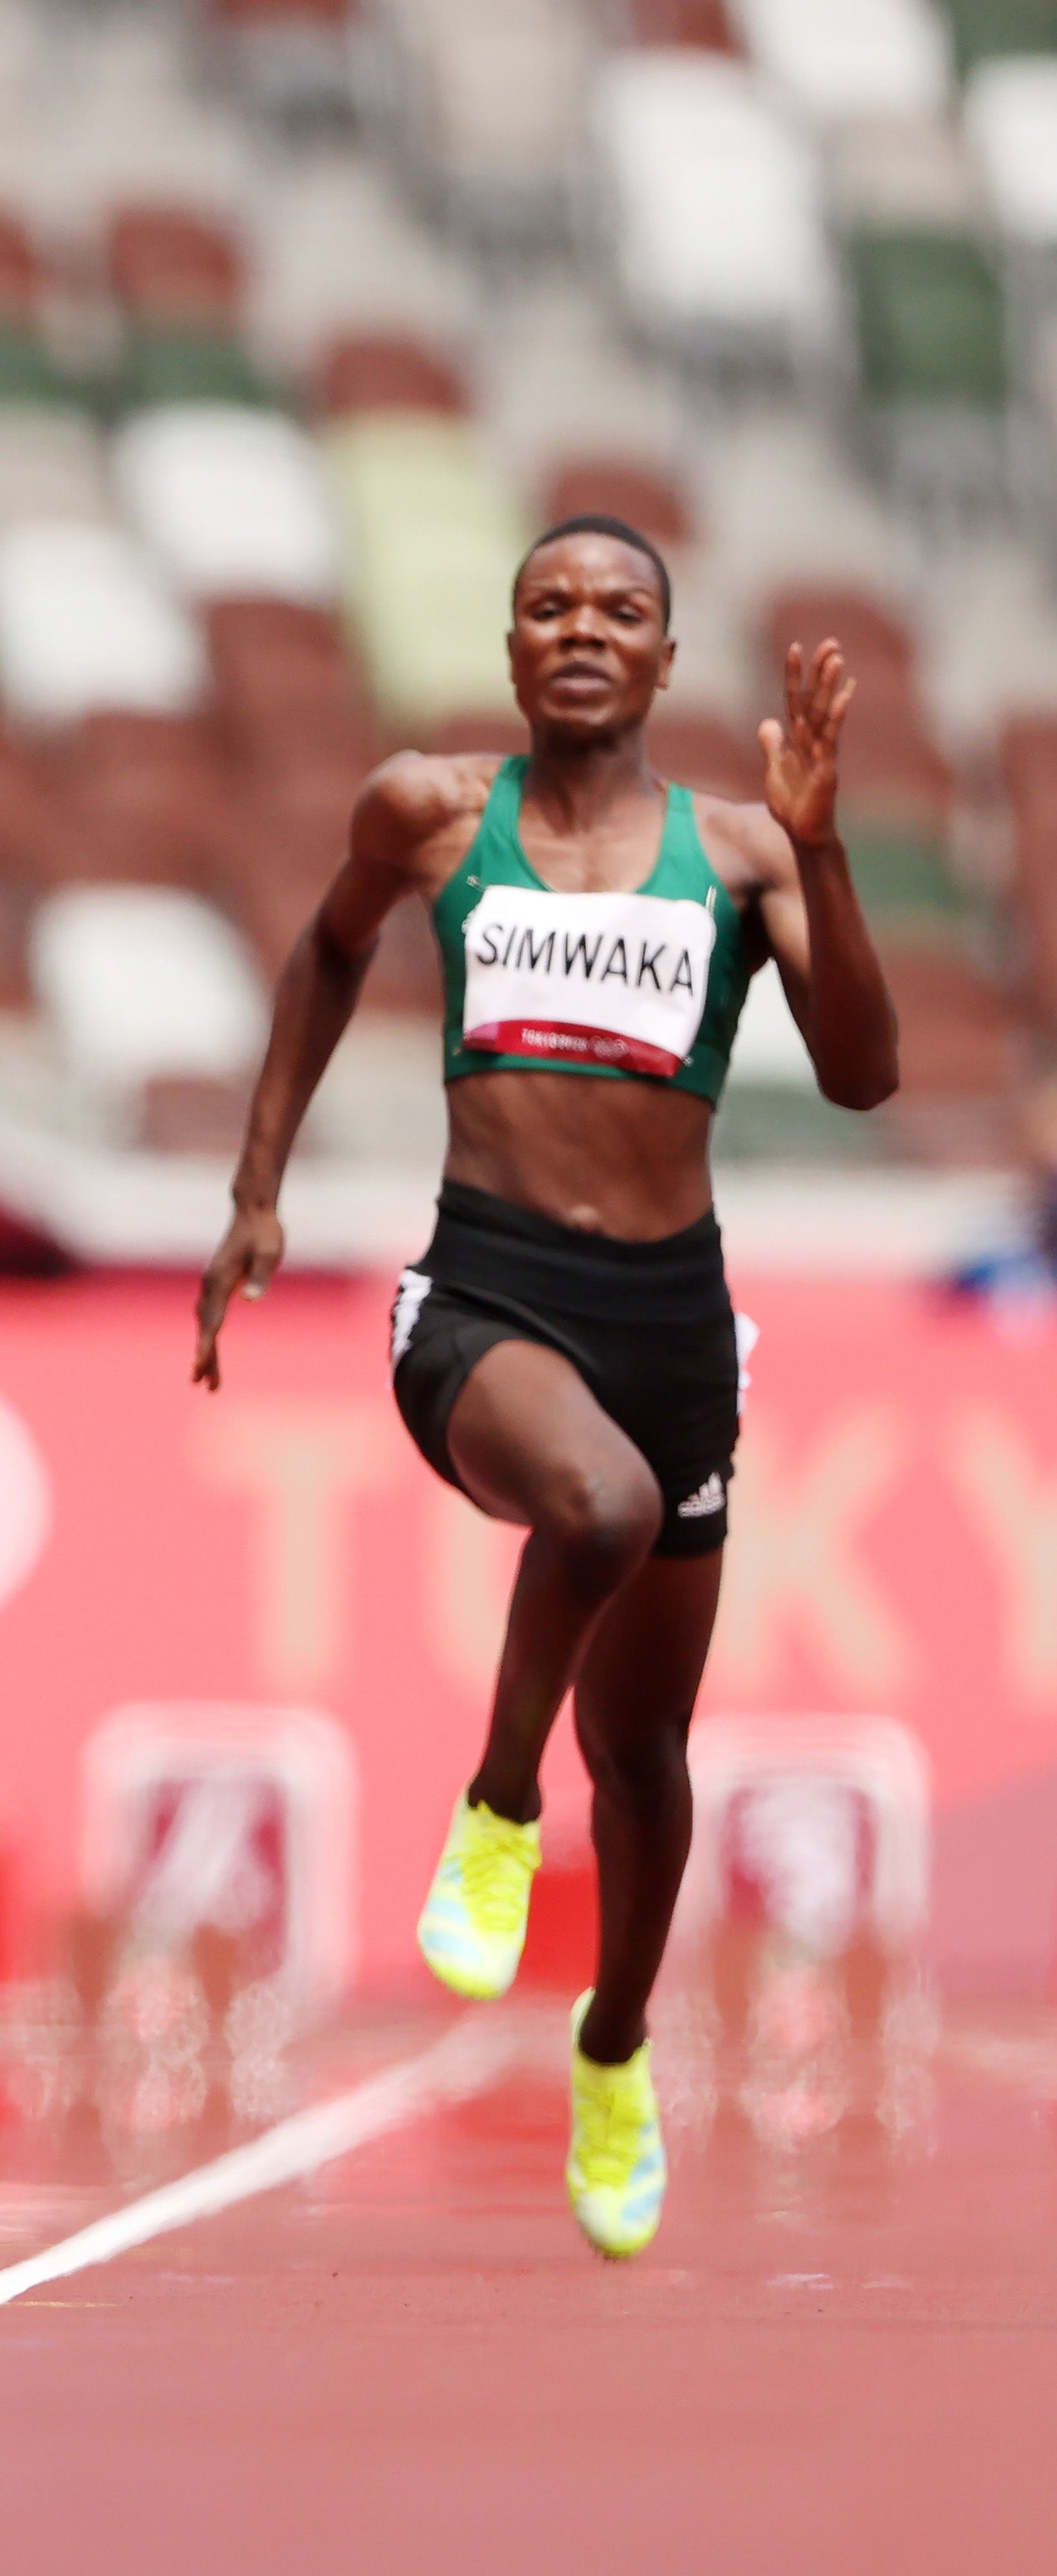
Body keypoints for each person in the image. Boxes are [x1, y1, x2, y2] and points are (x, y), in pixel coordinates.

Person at [195, 516, 899, 2258]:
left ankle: (610, 2045)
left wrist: (825, 853)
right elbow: (324, 952)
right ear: (509, 647)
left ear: (664, 661)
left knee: (647, 1748)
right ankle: (495, 1809)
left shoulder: (738, 856)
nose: (580, 629)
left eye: (620, 611)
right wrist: (254, 1186)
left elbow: (870, 1076)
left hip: (670, 1319)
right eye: (546, 606)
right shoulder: (429, 814)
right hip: (485, 1293)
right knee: (593, 1505)